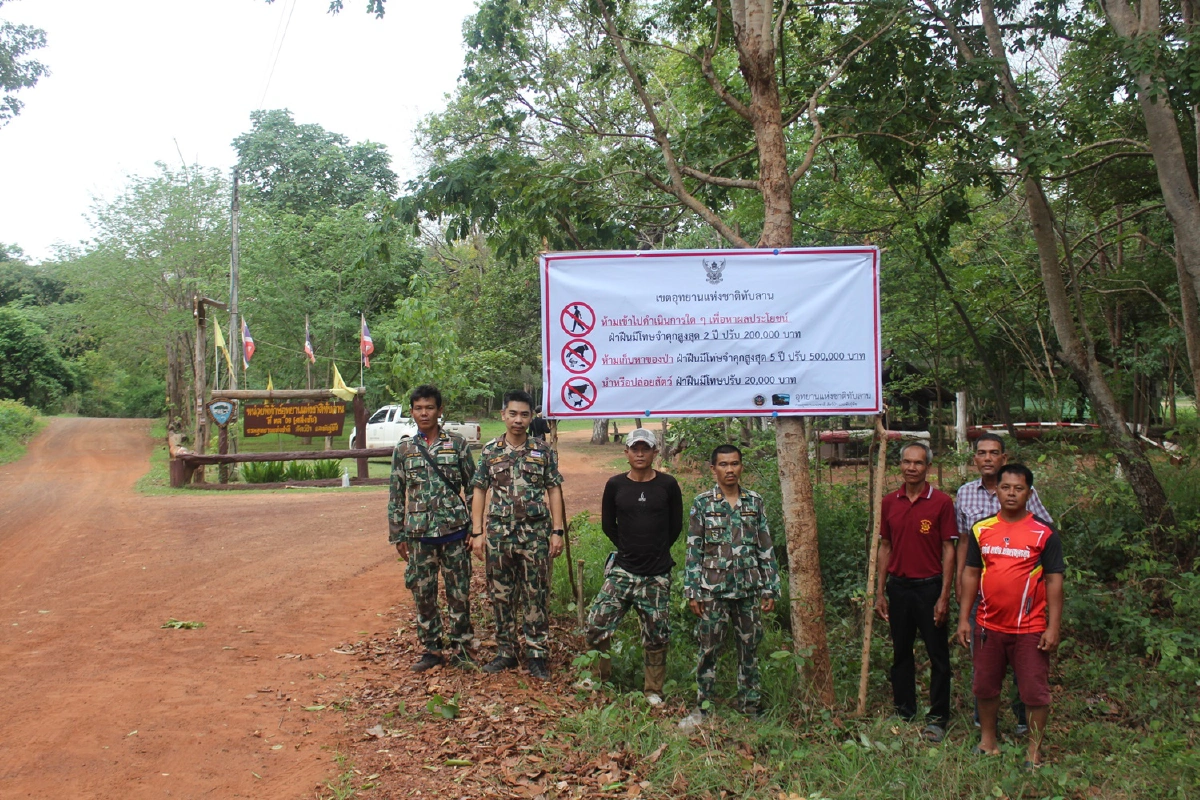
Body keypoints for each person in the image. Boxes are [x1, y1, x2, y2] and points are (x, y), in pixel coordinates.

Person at [956, 463, 1063, 768]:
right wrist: (964, 619)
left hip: (1030, 628)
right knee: (985, 686)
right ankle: (988, 741)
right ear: (997, 491)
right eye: (1005, 487)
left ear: (1029, 493)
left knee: (1033, 691)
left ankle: (1033, 751)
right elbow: (971, 573)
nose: (1011, 493)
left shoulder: (1044, 532)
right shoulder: (982, 529)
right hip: (988, 626)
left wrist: (1053, 626)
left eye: (1019, 488)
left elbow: (1054, 581)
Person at [679, 444, 780, 731]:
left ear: (741, 466)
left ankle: (750, 705)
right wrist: (692, 591)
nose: (730, 469)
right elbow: (694, 549)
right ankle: (704, 707)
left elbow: (765, 546)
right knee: (708, 650)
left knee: (749, 650)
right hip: (713, 591)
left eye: (734, 463)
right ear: (713, 469)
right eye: (723, 464)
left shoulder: (754, 502)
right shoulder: (703, 503)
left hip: (748, 591)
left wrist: (769, 587)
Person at [470, 389, 565, 680]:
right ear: (503, 415)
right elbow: (479, 490)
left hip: (534, 536)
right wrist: (477, 532)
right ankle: (506, 651)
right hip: (499, 536)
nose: (518, 420)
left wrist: (557, 530)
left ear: (531, 417)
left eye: (524, 415)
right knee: (501, 595)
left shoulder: (542, 451)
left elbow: (554, 489)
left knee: (536, 594)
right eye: (513, 414)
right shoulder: (490, 451)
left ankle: (537, 654)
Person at [584, 428, 683, 705]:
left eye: (645, 449)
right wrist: (628, 548)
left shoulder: (668, 485)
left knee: (657, 635)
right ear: (626, 452)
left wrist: (655, 550)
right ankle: (598, 677)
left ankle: (653, 690)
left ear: (655, 452)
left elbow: (676, 526)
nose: (640, 454)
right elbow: (608, 525)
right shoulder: (615, 485)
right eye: (635, 449)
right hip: (623, 570)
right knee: (597, 624)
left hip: (657, 575)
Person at [387, 385, 477, 672]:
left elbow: (473, 488)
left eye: (429, 408)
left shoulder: (458, 444)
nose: (424, 413)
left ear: (439, 410)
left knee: (458, 593)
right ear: (412, 412)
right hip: (419, 535)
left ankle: (462, 648)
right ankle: (432, 649)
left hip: (455, 532)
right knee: (423, 594)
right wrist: (397, 535)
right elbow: (396, 494)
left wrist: (475, 529)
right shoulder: (404, 449)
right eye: (418, 408)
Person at [874, 442, 957, 742]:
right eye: (907, 462)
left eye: (918, 463)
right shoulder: (889, 502)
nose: (912, 468)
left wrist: (944, 595)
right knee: (901, 652)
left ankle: (938, 718)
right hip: (899, 587)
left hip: (929, 587)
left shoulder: (941, 502)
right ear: (900, 465)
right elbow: (885, 546)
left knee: (938, 655)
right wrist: (880, 591)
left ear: (928, 467)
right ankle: (904, 710)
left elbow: (949, 550)